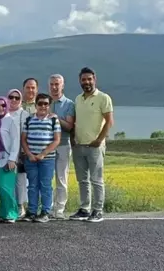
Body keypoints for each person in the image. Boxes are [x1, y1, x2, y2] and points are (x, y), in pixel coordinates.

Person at [70, 67, 114, 223]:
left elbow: (109, 121)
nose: (86, 82)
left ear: (94, 79)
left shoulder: (103, 98)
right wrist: (72, 138)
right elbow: (75, 121)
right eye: (84, 79)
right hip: (79, 145)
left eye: (89, 79)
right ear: (80, 81)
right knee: (82, 180)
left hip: (95, 146)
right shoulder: (77, 99)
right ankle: (84, 209)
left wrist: (99, 140)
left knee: (96, 180)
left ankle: (98, 211)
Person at [21, 93, 61, 223]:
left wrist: (43, 154)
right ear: (35, 105)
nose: (43, 106)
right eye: (40, 103)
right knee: (32, 185)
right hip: (31, 159)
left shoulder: (54, 120)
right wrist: (29, 154)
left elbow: (56, 140)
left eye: (46, 104)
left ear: (49, 106)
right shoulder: (29, 120)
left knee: (45, 185)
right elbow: (23, 139)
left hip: (47, 159)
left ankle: (45, 212)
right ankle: (31, 211)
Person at [48, 74, 75, 219]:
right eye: (51, 84)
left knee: (61, 178)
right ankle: (47, 207)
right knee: (46, 178)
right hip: (46, 147)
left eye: (57, 84)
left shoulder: (69, 104)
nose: (54, 87)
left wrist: (56, 118)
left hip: (63, 145)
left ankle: (59, 209)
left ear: (62, 85)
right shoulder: (44, 102)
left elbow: (70, 126)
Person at [0, 96, 20, 223]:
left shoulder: (11, 121)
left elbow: (15, 140)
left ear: (7, 106)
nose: (0, 108)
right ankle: (3, 211)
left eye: (3, 105)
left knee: (5, 186)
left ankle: (12, 213)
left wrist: (12, 159)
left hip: (7, 158)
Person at [7, 89, 30, 218]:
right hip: (5, 153)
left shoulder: (24, 114)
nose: (14, 100)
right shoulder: (3, 113)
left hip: (20, 153)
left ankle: (20, 206)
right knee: (7, 181)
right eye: (11, 97)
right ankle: (9, 205)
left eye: (17, 98)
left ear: (20, 100)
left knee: (20, 181)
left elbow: (27, 134)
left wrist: (24, 150)